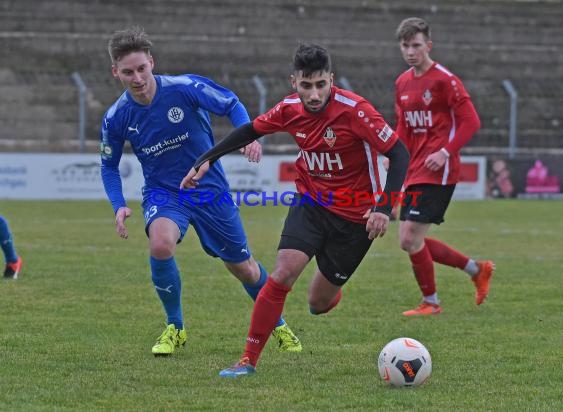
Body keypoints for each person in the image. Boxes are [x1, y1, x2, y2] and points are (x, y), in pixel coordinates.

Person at [181, 43, 410, 377]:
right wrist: (207, 158)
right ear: (294, 82)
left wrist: (384, 207)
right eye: (307, 86)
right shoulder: (289, 109)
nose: (314, 94)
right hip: (311, 202)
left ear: (331, 79)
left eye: (321, 85)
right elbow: (250, 130)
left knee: (317, 303)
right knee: (283, 273)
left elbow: (399, 153)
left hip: (355, 215)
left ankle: (331, 286)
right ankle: (247, 360)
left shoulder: (355, 110)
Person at [100, 26, 301, 356]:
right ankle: (174, 327)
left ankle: (277, 323)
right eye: (127, 72)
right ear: (115, 72)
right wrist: (118, 204)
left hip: (210, 191)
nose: (137, 78)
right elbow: (109, 165)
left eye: (141, 68)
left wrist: (248, 135)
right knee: (161, 244)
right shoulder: (116, 117)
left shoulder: (185, 88)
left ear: (151, 62)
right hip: (165, 193)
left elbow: (231, 104)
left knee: (245, 268)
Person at [392, 17, 495, 316]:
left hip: (439, 171)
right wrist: (394, 152)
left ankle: (432, 303)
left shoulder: (445, 80)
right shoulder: (402, 82)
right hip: (414, 168)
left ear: (428, 45)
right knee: (410, 240)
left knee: (410, 237)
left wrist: (446, 153)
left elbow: (471, 121)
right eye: (405, 45)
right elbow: (404, 126)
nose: (411, 51)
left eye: (416, 45)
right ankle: (477, 269)